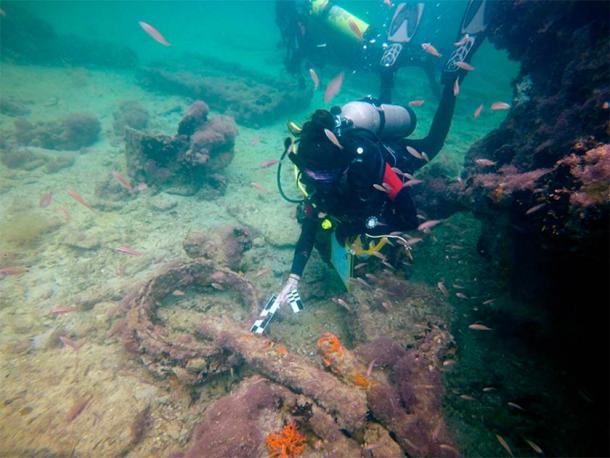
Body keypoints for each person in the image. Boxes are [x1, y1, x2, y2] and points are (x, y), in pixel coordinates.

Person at [251, 0, 492, 335]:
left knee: (433, 143)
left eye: (325, 176)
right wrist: (292, 278)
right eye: (312, 176)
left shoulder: (368, 165)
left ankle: (453, 72)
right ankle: (388, 66)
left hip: (391, 158)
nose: (317, 183)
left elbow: (407, 217)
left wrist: (372, 223)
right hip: (360, 155)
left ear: (343, 163)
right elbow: (310, 223)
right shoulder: (314, 169)